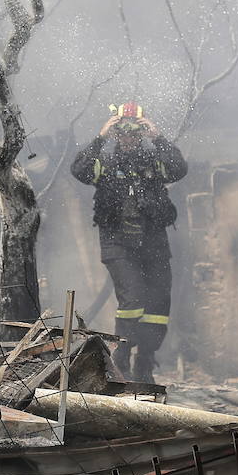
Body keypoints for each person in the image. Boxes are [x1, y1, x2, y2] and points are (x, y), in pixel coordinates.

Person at [71, 103, 188, 383]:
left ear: (141, 134)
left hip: (154, 244)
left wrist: (158, 136)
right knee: (133, 299)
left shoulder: (154, 161)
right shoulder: (105, 165)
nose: (128, 138)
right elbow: (79, 169)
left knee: (158, 305)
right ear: (116, 134)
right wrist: (100, 137)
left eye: (135, 133)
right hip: (118, 245)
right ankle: (121, 358)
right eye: (122, 133)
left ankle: (145, 362)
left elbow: (179, 168)